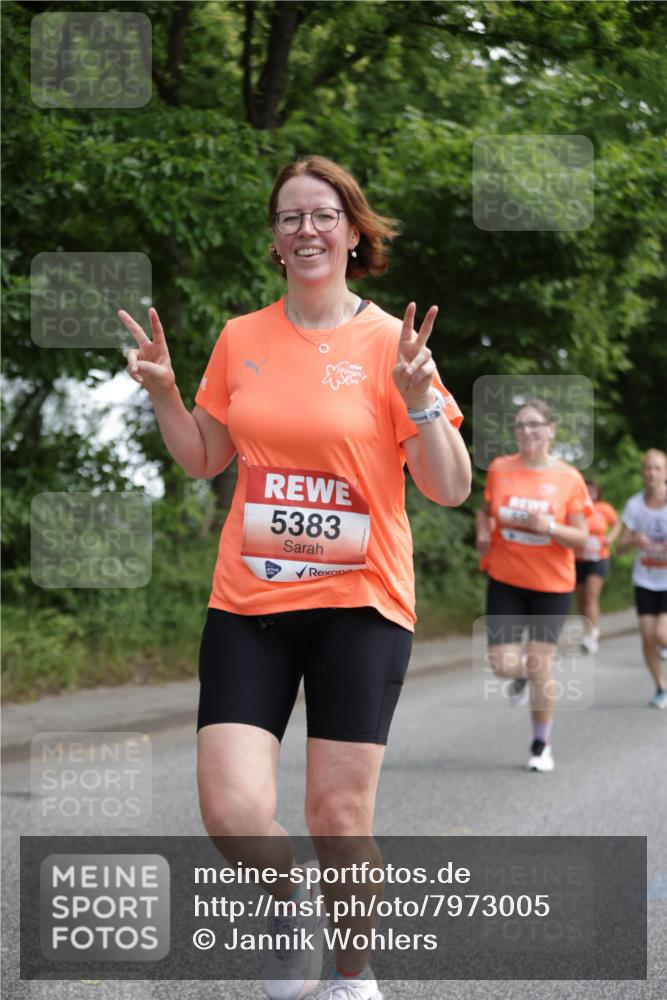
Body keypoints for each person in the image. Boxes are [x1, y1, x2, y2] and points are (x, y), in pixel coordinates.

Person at [120, 155, 471, 1000]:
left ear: (354, 233)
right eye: (289, 218)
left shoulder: (393, 343)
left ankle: (351, 976)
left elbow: (450, 487)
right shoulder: (242, 337)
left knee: (338, 819)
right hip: (249, 601)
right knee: (233, 813)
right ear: (275, 242)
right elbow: (206, 456)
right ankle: (291, 902)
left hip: (360, 601)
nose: (306, 229)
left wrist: (420, 399)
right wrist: (167, 392)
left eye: (323, 215)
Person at [476, 399, 591, 772]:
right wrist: (482, 534)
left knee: (543, 666)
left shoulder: (569, 478)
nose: (528, 432)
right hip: (506, 579)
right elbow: (485, 511)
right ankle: (522, 676)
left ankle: (541, 744)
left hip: (551, 586)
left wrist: (552, 528)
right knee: (502, 663)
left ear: (552, 429)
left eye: (536, 425)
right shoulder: (500, 469)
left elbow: (582, 537)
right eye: (521, 425)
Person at [617, 449, 667, 708]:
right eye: (647, 468)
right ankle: (661, 686)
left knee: (661, 634)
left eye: (657, 468)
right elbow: (620, 547)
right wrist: (633, 540)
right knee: (648, 638)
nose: (651, 473)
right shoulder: (635, 505)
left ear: (666, 473)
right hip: (646, 579)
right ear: (642, 473)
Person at [575, 480, 620, 653]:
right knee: (580, 599)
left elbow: (617, 523)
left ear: (598, 491)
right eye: (587, 490)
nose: (590, 492)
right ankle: (589, 628)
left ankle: (591, 636)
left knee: (590, 597)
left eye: (593, 489)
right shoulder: (576, 508)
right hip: (578, 559)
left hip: (598, 558)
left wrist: (610, 538)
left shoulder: (604, 508)